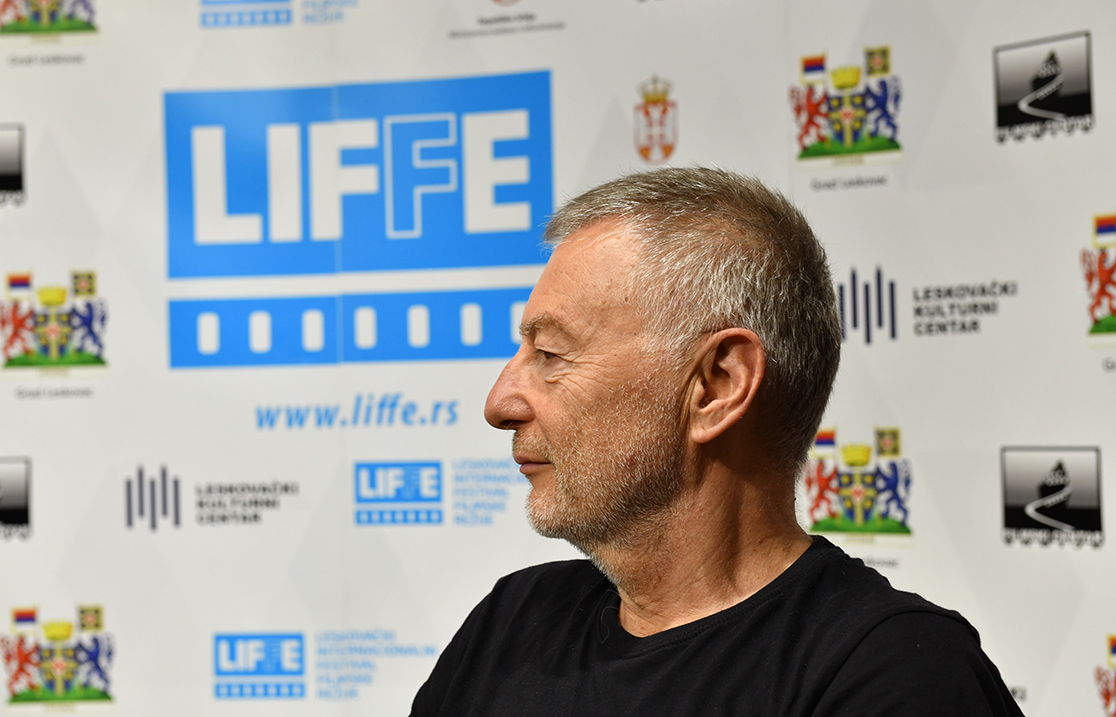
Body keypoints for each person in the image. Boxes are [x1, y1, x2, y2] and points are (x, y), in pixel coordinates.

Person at [409, 168, 1023, 716]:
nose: (499, 403)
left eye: (550, 354)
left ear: (717, 386)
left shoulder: (892, 674)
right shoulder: (512, 623)